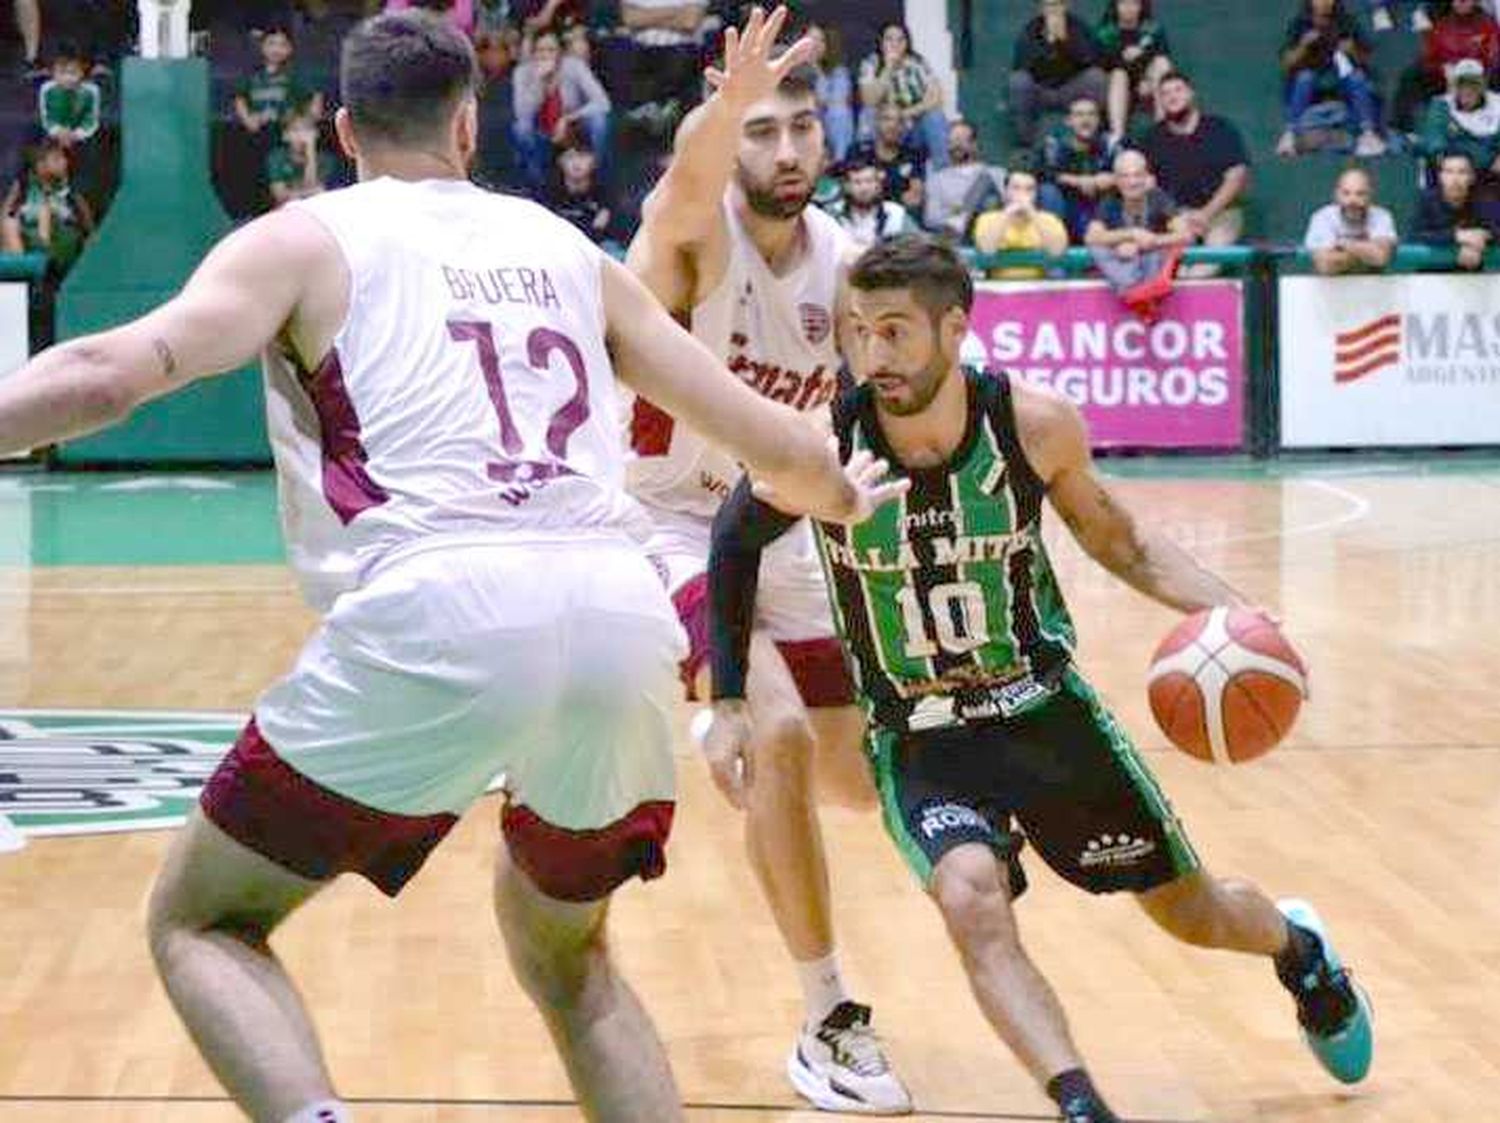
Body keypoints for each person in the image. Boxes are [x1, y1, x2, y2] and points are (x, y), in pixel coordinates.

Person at [0, 12, 897, 1123]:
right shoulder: (566, 250)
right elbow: (775, 442)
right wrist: (848, 494)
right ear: (469, 124)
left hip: (438, 602)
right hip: (617, 613)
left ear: (340, 128)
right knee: (569, 957)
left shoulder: (301, 239)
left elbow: (104, 375)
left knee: (203, 920)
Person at [704, 232, 1376, 1123]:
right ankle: (1080, 1103)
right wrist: (730, 697)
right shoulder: (824, 441)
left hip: (1044, 713)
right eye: (859, 329)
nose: (874, 353)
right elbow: (732, 539)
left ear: (955, 328)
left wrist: (1241, 617)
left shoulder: (1032, 422)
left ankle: (1300, 950)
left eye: (897, 331)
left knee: (1191, 911)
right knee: (969, 898)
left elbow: (1123, 542)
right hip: (919, 733)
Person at [623, 6, 914, 1113]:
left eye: (800, 128)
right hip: (658, 521)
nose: (784, 150)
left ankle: (717, 711)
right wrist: (722, 107)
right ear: (727, 137)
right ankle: (828, 1016)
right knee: (777, 732)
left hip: (778, 528)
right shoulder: (691, 237)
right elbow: (680, 193)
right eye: (761, 130)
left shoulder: (845, 266)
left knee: (855, 783)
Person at [1139, 71, 1250, 261]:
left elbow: (1237, 176)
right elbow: (1147, 184)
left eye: (1178, 90)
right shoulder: (1152, 139)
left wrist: (1206, 214)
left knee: (1213, 255)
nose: (1173, 97)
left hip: (1221, 213)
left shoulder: (1220, 128)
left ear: (1191, 93)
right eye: (1165, 94)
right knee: (1164, 260)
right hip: (1174, 217)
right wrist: (1176, 217)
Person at [1083, 148, 1189, 318]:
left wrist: (1149, 241)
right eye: (1125, 176)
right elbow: (1092, 236)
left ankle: (1141, 296)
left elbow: (1184, 233)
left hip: (1152, 266)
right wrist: (1130, 235)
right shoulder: (1111, 200)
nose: (1132, 182)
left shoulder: (1157, 197)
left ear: (1146, 177)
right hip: (1125, 268)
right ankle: (1135, 295)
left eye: (1137, 175)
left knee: (1158, 252)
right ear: (1116, 180)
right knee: (1097, 248)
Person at [1276, 0, 1385, 158]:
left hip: (1341, 79)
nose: (1324, 3)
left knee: (1358, 78)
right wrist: (1303, 46)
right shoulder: (1300, 23)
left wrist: (1352, 50)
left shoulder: (1346, 22)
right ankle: (1290, 134)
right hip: (1312, 80)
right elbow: (1286, 63)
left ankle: (1368, 134)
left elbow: (1365, 59)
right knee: (1304, 78)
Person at [511, 26, 610, 191]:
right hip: (541, 132)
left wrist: (568, 118)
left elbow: (602, 102)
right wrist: (538, 83)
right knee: (520, 128)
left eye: (551, 50)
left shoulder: (574, 66)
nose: (545, 55)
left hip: (572, 130)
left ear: (560, 53)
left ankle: (597, 176)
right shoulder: (522, 72)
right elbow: (521, 114)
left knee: (599, 120)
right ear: (533, 53)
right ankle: (536, 184)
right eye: (540, 50)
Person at [1008, 0, 1108, 148]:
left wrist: (1065, 42)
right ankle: (1025, 142)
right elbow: (1022, 65)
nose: (1053, 9)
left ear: (1066, 6)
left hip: (1071, 89)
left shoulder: (1078, 27)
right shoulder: (1031, 29)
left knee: (1096, 77)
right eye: (1049, 5)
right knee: (1018, 81)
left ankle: (1095, 136)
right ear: (1041, 8)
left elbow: (1092, 59)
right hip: (1040, 89)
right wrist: (1048, 44)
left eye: (1057, 4)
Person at [855, 22, 950, 171]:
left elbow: (936, 97)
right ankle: (865, 170)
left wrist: (903, 114)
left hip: (913, 127)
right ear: (881, 42)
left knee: (935, 116)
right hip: (883, 128)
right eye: (889, 39)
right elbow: (869, 100)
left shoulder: (917, 62)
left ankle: (944, 174)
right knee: (868, 113)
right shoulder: (871, 64)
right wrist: (888, 68)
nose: (895, 44)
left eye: (901, 39)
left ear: (907, 42)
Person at [1036, 96, 1115, 242]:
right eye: (1079, 115)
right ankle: (1054, 246)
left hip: (1100, 210)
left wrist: (1111, 179)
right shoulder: (1055, 146)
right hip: (1067, 209)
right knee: (1047, 191)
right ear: (1069, 121)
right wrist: (1079, 181)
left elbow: (1134, 170)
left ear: (1098, 120)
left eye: (1091, 114)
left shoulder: (1110, 144)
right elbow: (1043, 174)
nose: (1086, 120)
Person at [972, 163, 1069, 279]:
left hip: (1037, 289)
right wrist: (1008, 213)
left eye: (1030, 189)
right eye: (1016, 188)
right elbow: (987, 250)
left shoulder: (1049, 219)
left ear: (1036, 193)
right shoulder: (987, 219)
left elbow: (1056, 251)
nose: (1023, 194)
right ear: (1006, 191)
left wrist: (1031, 213)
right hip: (999, 290)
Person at [1096, 0, 1173, 142]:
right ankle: (1117, 136)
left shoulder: (1152, 29)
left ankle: (1163, 126)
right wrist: (1123, 57)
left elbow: (1162, 56)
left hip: (1148, 84)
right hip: (1117, 87)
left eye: (1134, 3)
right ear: (1116, 6)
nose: (1129, 8)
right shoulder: (1106, 32)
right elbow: (1103, 64)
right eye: (1123, 3)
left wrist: (1143, 61)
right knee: (1119, 74)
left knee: (1162, 63)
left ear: (1141, 6)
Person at [1417, 57, 1500, 186]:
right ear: (1454, 86)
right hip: (1453, 176)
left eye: (1474, 83)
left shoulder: (1497, 104)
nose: (1467, 89)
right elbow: (1435, 142)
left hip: (1491, 177)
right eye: (1462, 83)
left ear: (1483, 84)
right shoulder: (1441, 105)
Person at [921, 118, 1006, 242]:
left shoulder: (996, 173)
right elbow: (931, 218)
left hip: (989, 232)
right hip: (955, 236)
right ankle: (960, 220)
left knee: (988, 193)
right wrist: (957, 211)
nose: (955, 145)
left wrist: (958, 210)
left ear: (974, 144)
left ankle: (961, 220)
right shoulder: (938, 179)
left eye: (960, 140)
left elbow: (1007, 207)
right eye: (951, 141)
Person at [1303, 164, 1398, 275]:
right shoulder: (1322, 218)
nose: (1353, 201)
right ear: (1336, 195)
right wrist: (1367, 253)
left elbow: (1381, 257)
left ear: (1370, 195)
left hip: (1373, 286)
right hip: (1330, 288)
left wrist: (1344, 244)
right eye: (1346, 193)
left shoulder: (1382, 217)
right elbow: (1326, 265)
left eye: (1360, 194)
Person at [1410, 148, 1496, 267]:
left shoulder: (1483, 200)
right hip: (1431, 276)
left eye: (1462, 172)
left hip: (1474, 277)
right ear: (1440, 176)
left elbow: (1495, 230)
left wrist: (1481, 238)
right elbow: (1414, 236)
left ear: (1472, 177)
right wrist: (1457, 237)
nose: (1455, 179)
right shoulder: (1427, 200)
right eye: (1449, 172)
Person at [827, 153, 915, 247]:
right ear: (847, 186)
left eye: (869, 181)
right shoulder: (832, 214)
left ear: (878, 185)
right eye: (857, 182)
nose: (864, 188)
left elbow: (919, 246)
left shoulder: (895, 214)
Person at [806, 21, 854, 164]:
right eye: (811, 39)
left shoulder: (838, 71)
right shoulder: (791, 68)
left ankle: (841, 163)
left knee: (839, 113)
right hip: (800, 115)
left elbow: (836, 101)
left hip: (826, 118)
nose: (815, 44)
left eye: (820, 40)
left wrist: (815, 68)